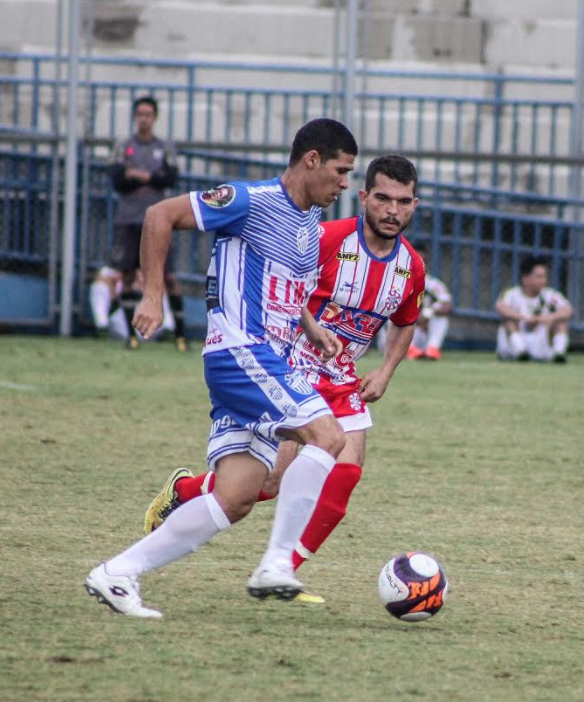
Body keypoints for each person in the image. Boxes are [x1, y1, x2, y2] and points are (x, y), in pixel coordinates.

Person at [84, 118, 358, 618]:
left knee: (238, 495)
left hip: (264, 359)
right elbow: (158, 215)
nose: (345, 184)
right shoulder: (248, 199)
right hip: (241, 353)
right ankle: (276, 564)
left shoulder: (307, 225)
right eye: (341, 171)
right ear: (312, 159)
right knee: (328, 435)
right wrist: (152, 294)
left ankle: (117, 572)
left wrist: (311, 326)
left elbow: (278, 285)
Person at [142, 155, 426, 603]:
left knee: (345, 476)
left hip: (343, 379)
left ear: (415, 204)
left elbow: (407, 318)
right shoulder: (328, 237)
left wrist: (386, 370)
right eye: (384, 199)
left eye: (404, 201)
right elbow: (285, 284)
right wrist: (311, 326)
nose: (393, 210)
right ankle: (186, 490)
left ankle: (282, 570)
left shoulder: (411, 266)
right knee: (268, 484)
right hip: (292, 366)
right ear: (364, 197)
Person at [108, 96, 188, 351]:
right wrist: (151, 178)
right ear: (135, 116)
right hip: (129, 219)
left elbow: (171, 178)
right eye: (140, 114)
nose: (144, 118)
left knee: (170, 276)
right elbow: (117, 179)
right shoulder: (124, 145)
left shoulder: (163, 146)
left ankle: (180, 336)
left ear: (154, 117)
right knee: (128, 275)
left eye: (148, 114)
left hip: (159, 223)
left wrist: (139, 174)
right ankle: (132, 336)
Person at [495, 255, 573, 362]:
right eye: (539, 277)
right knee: (509, 321)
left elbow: (568, 310)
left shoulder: (550, 295)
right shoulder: (512, 294)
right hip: (514, 344)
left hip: (539, 342)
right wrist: (524, 317)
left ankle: (558, 354)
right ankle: (520, 352)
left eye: (545, 276)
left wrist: (548, 318)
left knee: (561, 323)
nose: (543, 280)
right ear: (525, 278)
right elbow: (500, 307)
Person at [89, 266, 175, 340]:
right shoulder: (111, 273)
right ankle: (102, 328)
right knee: (99, 286)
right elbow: (100, 279)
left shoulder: (148, 270)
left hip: (148, 322)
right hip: (121, 322)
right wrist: (119, 280)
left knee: (159, 286)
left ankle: (168, 330)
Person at [407, 242, 453, 360]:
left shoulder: (433, 283)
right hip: (400, 333)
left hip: (422, 331)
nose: (420, 264)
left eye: (424, 261)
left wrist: (428, 313)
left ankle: (432, 349)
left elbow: (447, 305)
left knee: (441, 316)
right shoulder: (398, 278)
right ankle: (408, 350)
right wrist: (415, 317)